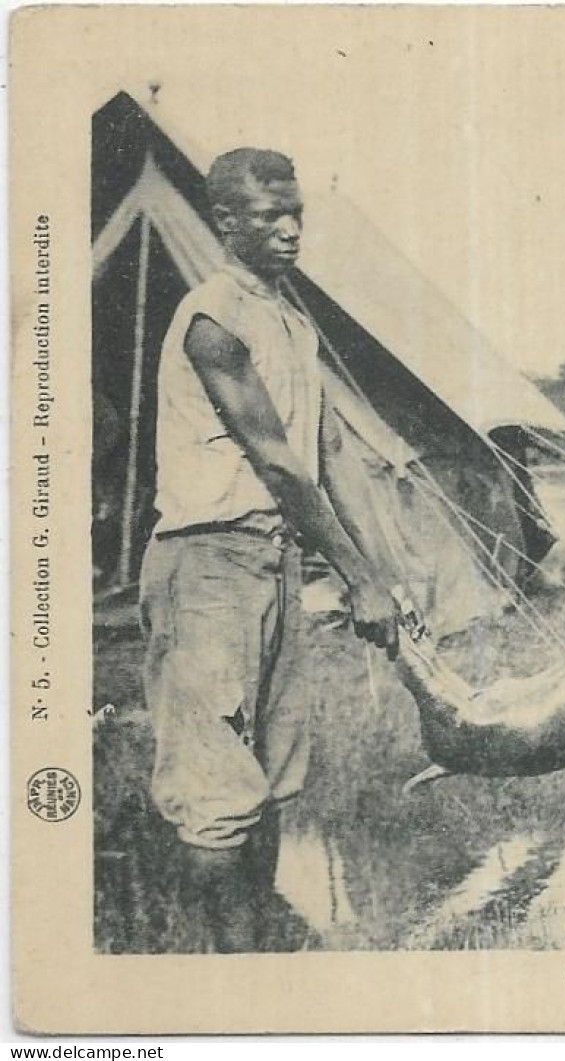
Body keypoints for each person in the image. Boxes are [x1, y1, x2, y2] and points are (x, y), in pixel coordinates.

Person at [143, 148, 402, 952]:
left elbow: (329, 449)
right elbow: (280, 462)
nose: (290, 230)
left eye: (297, 214)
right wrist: (357, 578)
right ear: (224, 222)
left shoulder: (291, 317)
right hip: (207, 562)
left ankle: (254, 945)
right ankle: (223, 970)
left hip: (275, 560)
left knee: (273, 772)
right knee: (217, 783)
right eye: (268, 217)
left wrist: (386, 575)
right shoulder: (213, 316)